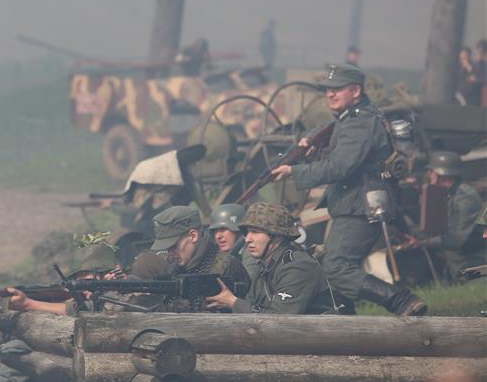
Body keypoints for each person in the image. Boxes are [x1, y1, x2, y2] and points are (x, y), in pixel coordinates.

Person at [270, 63, 427, 316]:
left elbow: (340, 167)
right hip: (355, 203)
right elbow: (341, 158)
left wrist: (294, 171)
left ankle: (401, 301)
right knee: (333, 264)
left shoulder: (358, 123)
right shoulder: (350, 119)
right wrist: (312, 150)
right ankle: (343, 317)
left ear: (356, 91)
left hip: (359, 206)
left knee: (336, 266)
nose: (330, 94)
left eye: (337, 89)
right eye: (328, 90)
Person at [205, 202, 340, 314]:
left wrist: (233, 302)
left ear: (277, 236)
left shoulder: (298, 267)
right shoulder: (264, 268)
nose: (247, 239)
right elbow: (255, 306)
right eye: (246, 233)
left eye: (255, 232)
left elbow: (279, 319)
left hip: (317, 341)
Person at [147, 205, 250, 311]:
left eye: (174, 246)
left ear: (193, 236)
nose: (170, 253)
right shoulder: (177, 268)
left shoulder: (225, 265)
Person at [414, 151, 484, 276]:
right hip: (457, 263)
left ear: (442, 174)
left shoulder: (465, 197)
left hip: (473, 263)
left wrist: (423, 243)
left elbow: (457, 239)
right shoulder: (445, 194)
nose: (429, 174)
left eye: (431, 171)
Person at [208, 203, 259, 279]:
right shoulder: (222, 255)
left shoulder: (250, 252)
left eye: (223, 229)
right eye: (215, 231)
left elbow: (249, 285)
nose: (218, 236)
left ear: (239, 231)